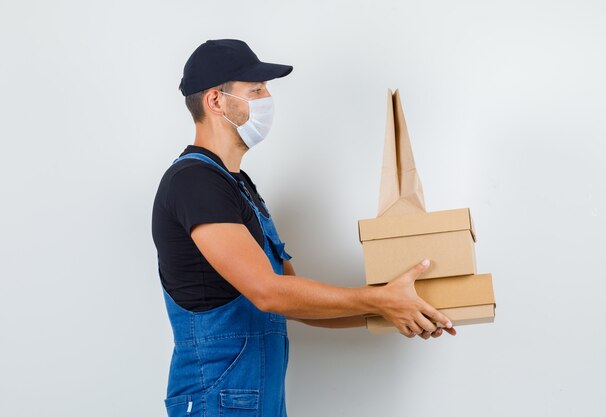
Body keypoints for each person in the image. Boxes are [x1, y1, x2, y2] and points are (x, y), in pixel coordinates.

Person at [151, 38, 456, 417]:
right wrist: (378, 299)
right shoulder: (193, 183)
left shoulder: (239, 187)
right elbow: (268, 292)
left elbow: (293, 300)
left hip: (255, 399)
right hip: (217, 399)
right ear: (216, 101)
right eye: (256, 89)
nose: (267, 99)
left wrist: (391, 311)